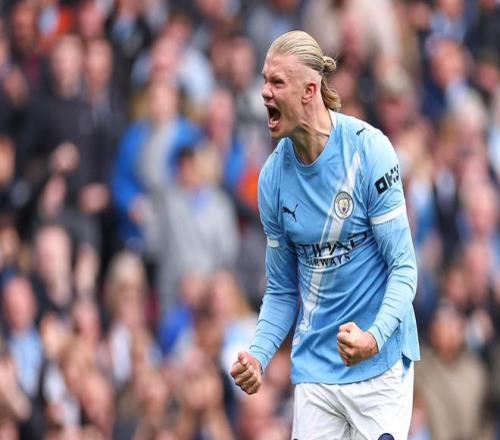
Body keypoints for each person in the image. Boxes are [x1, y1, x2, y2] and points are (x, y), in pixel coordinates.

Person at [231, 30, 420, 439]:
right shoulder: (272, 179)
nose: (264, 92)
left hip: (380, 363)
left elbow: (404, 267)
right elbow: (282, 289)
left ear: (310, 91)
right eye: (264, 80)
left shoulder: (369, 151)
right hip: (316, 371)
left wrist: (373, 338)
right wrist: (259, 356)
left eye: (277, 82)